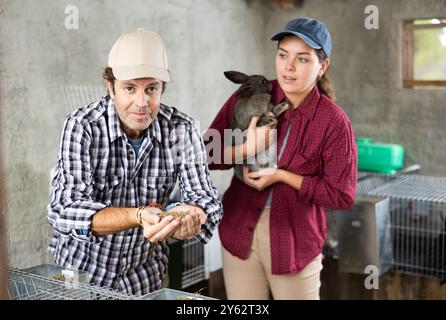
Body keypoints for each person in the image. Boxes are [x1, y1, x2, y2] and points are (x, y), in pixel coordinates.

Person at [47, 28, 222, 296]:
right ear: (110, 86)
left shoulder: (182, 129)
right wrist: (138, 215)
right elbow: (64, 210)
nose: (142, 102)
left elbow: (207, 200)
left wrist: (190, 214)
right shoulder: (82, 126)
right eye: (130, 88)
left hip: (143, 278)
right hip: (80, 275)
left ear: (163, 87)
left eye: (151, 88)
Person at [205, 17, 357, 299]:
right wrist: (244, 151)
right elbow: (204, 154)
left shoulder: (333, 122)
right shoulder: (252, 92)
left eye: (302, 59)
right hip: (239, 230)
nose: (288, 67)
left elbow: (341, 195)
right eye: (283, 55)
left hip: (294, 239)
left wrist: (282, 176)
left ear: (322, 66)